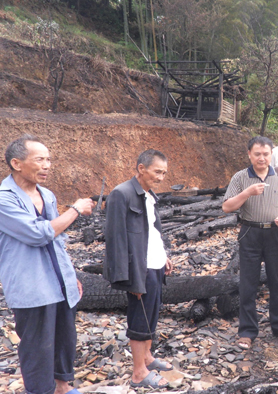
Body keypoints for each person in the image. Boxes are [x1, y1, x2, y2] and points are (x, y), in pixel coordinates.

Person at [0, 134, 94, 394]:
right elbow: (38, 234)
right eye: (40, 159)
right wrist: (75, 209)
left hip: (58, 280)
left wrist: (70, 275)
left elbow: (58, 240)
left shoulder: (47, 195)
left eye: (49, 160)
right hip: (31, 285)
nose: (47, 166)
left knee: (65, 338)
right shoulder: (4, 199)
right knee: (37, 348)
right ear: (17, 164)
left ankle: (62, 388)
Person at [104, 149, 173, 389]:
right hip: (139, 270)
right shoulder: (121, 194)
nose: (161, 177)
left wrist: (163, 256)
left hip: (155, 264)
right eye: (157, 172)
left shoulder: (149, 195)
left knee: (152, 314)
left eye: (164, 173)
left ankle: (148, 357)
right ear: (141, 168)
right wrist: (128, 278)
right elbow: (115, 239)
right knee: (140, 318)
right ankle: (138, 373)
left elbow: (153, 231)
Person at [222, 136, 278, 350]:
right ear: (249, 154)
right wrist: (247, 192)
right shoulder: (240, 177)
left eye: (266, 154)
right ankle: (247, 331)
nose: (262, 158)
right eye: (257, 154)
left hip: (276, 232)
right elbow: (227, 207)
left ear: (271, 154)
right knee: (248, 283)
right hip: (250, 233)